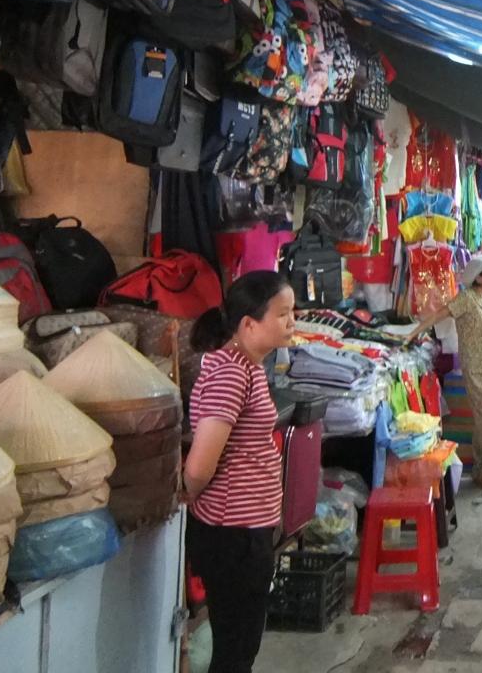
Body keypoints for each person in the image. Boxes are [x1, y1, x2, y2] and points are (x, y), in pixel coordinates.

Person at [183, 271, 295, 673]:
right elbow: (200, 464)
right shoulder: (231, 373)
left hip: (244, 530)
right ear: (249, 324)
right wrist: (192, 493)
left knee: (239, 646)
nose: (292, 322)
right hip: (232, 534)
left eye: (292, 312)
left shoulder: (247, 367)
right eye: (282, 314)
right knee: (236, 651)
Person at [407, 255, 482, 490]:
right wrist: (414, 332)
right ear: (479, 278)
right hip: (477, 369)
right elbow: (440, 314)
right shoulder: (466, 299)